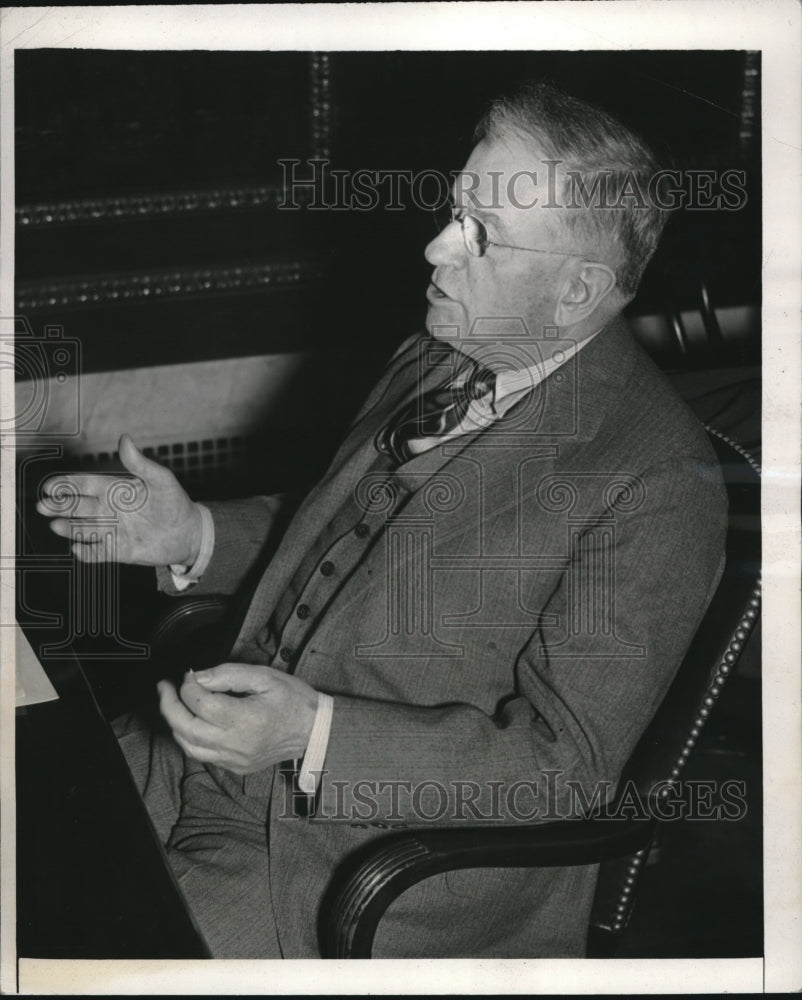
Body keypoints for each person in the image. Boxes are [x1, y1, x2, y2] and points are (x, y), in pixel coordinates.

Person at [37, 81, 727, 958]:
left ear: (576, 291)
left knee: (85, 956)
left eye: (481, 237)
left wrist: (312, 733)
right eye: (453, 210)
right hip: (194, 755)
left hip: (353, 867)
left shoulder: (655, 479)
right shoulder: (437, 352)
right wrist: (193, 534)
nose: (437, 247)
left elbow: (566, 770)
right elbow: (342, 530)